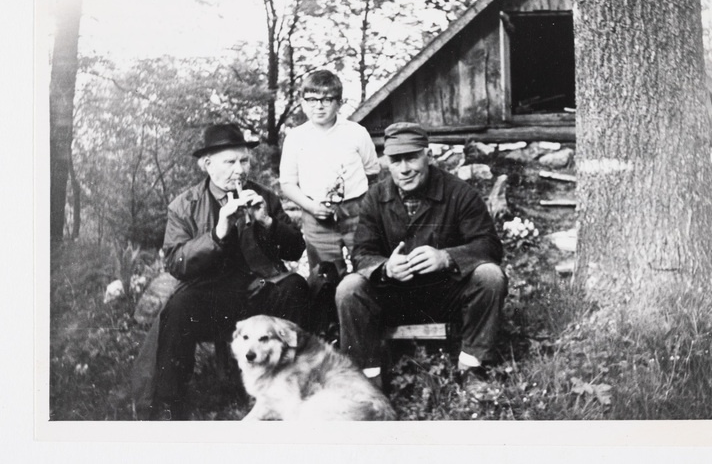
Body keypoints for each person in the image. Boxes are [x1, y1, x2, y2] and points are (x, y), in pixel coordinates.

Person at [132, 123, 310, 420]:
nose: (239, 170)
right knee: (178, 307)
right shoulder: (184, 205)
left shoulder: (265, 196)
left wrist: (267, 222)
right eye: (230, 162)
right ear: (207, 164)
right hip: (212, 297)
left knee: (294, 287)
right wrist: (217, 233)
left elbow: (296, 250)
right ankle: (170, 404)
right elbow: (175, 262)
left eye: (244, 161)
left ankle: (288, 388)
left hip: (259, 291)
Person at [335, 122, 508, 390]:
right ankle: (367, 379)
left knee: (490, 276)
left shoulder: (459, 193)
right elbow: (362, 253)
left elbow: (490, 246)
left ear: (428, 155)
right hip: (393, 297)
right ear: (387, 163)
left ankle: (472, 368)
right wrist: (386, 268)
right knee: (349, 288)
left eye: (412, 158)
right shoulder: (375, 197)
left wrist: (446, 257)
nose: (404, 169)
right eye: (396, 160)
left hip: (445, 296)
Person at [279, 70, 380, 332]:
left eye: (327, 99)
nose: (319, 106)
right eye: (312, 100)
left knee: (367, 266)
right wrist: (311, 206)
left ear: (339, 102)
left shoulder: (356, 133)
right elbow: (287, 183)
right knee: (325, 275)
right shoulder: (296, 138)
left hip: (357, 211)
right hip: (316, 214)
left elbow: (372, 172)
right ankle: (331, 331)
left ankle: (370, 326)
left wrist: (361, 205)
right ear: (302, 103)